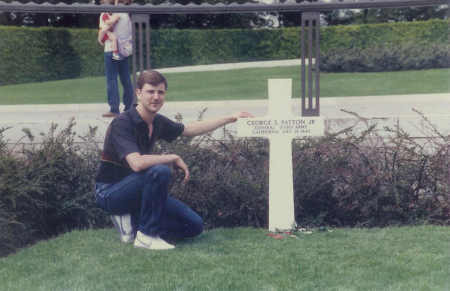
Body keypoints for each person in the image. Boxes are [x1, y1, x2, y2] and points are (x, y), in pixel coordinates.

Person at [94, 70, 253, 250]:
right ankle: (146, 236)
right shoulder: (123, 123)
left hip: (138, 191)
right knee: (160, 170)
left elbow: (190, 129)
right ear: (138, 93)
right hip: (110, 192)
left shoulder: (157, 122)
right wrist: (171, 157)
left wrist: (231, 118)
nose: (156, 97)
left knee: (194, 225)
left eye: (160, 92)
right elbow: (136, 163)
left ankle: (132, 221)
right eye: (150, 91)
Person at [99, 0, 134, 118]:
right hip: (124, 50)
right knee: (126, 79)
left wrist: (100, 37)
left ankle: (114, 109)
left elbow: (106, 27)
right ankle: (129, 106)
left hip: (111, 50)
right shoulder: (127, 14)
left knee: (112, 79)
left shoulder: (117, 12)